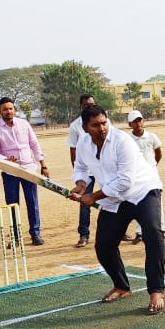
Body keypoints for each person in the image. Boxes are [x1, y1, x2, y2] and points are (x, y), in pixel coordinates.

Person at [69, 106, 165, 315]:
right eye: (95, 125)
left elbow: (125, 181)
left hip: (142, 191)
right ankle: (122, 286)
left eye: (104, 122)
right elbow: (81, 168)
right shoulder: (84, 143)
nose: (102, 128)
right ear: (85, 128)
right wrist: (80, 184)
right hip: (114, 199)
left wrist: (93, 196)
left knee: (153, 234)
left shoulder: (122, 142)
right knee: (104, 245)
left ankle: (156, 291)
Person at [0, 97, 48, 246]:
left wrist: (43, 164)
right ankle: (15, 238)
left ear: (14, 109)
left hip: (29, 169)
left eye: (10, 108)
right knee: (12, 205)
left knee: (32, 202)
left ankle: (35, 234)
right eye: (5, 109)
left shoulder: (24, 124)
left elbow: (34, 144)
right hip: (10, 172)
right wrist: (7, 160)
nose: (8, 111)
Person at [127, 109, 165, 243]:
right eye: (134, 122)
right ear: (129, 124)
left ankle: (161, 229)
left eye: (139, 121)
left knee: (156, 202)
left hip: (152, 174)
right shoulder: (128, 140)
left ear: (143, 121)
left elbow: (158, 153)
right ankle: (139, 232)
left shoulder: (151, 137)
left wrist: (152, 166)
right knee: (138, 203)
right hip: (137, 176)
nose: (138, 124)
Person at [69, 94, 97, 248]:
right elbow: (73, 152)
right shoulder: (75, 126)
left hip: (104, 168)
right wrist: (79, 176)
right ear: (81, 107)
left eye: (92, 104)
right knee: (85, 201)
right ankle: (84, 235)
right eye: (86, 105)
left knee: (115, 198)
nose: (89, 107)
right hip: (87, 171)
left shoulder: (103, 120)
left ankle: (121, 231)